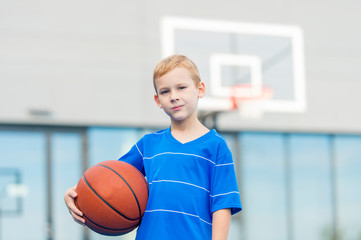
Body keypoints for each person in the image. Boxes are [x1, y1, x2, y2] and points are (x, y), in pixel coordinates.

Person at [64, 55, 242, 240]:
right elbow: (110, 180)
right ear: (157, 100)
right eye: (165, 91)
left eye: (181, 87)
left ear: (200, 89)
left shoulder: (216, 146)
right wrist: (76, 193)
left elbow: (222, 205)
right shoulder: (148, 144)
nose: (174, 96)